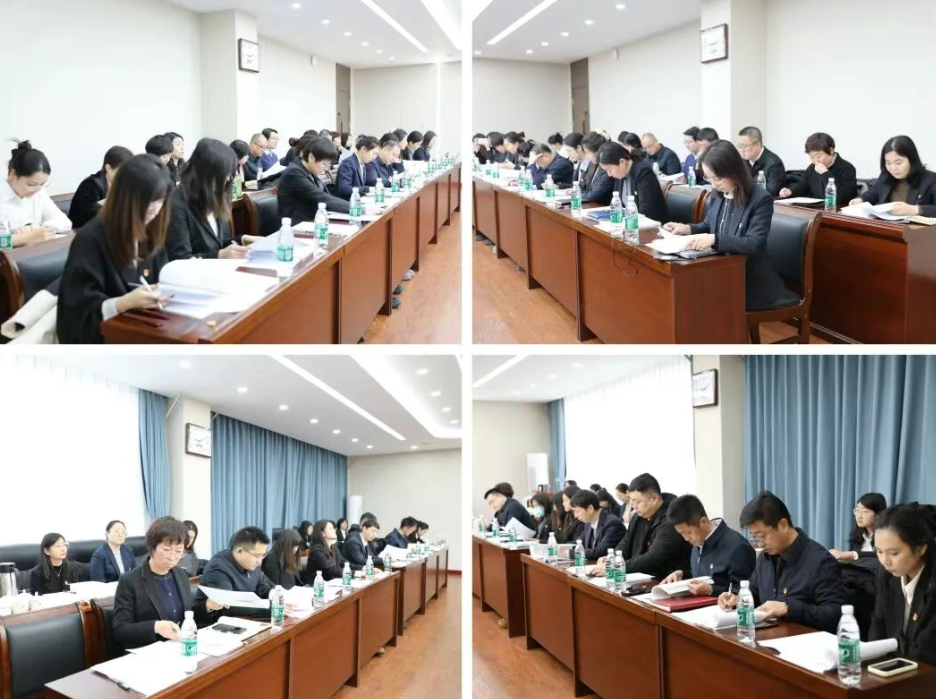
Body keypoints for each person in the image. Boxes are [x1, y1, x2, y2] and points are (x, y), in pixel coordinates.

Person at [662, 140, 790, 312]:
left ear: (733, 170)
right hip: (721, 269)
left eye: (717, 178)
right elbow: (709, 225)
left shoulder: (760, 199)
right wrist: (687, 229)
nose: (714, 184)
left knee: (698, 297)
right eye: (708, 178)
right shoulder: (718, 193)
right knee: (684, 290)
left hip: (750, 278)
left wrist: (715, 240)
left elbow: (755, 243)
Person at [57, 155, 172, 344]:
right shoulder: (91, 239)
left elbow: (161, 279)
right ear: (124, 198)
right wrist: (123, 303)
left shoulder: (152, 229)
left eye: (160, 201)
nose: (154, 210)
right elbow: (75, 316)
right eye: (147, 202)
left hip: (146, 328)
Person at [718, 490, 846, 632]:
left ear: (783, 525)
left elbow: (834, 615)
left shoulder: (821, 561)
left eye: (762, 535)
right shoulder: (765, 558)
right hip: (768, 637)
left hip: (803, 640)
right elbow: (754, 590)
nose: (759, 543)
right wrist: (737, 598)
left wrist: (788, 608)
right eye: (754, 537)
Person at [112, 517, 223, 651]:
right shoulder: (130, 580)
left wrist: (208, 606)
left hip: (180, 646)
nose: (172, 557)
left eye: (179, 551)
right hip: (148, 651)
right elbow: (120, 630)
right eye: (166, 550)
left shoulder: (181, 575)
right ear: (152, 548)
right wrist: (155, 627)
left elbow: (188, 614)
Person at [869, 504, 936, 665]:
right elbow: (878, 630)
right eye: (879, 551)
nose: (885, 561)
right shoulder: (886, 575)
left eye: (894, 553)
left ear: (921, 547)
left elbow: (926, 650)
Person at [166, 138, 252, 262]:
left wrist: (243, 239)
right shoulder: (177, 204)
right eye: (224, 174)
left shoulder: (213, 195)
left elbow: (217, 244)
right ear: (206, 172)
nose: (228, 179)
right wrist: (219, 256)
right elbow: (180, 259)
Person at [594, 473, 691, 580]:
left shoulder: (672, 517)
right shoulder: (639, 516)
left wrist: (618, 567)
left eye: (637, 502)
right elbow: (626, 541)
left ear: (654, 498)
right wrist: (614, 558)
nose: (634, 506)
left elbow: (655, 557)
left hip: (662, 579)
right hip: (638, 577)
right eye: (631, 501)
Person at [661, 495, 756, 597]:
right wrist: (682, 574)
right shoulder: (698, 540)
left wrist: (711, 590)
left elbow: (749, 591)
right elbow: (704, 575)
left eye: (688, 533)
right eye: (681, 533)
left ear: (703, 522)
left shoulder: (737, 546)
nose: (686, 539)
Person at [196, 526, 278, 618]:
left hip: (243, 619)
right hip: (214, 622)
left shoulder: (252, 564)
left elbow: (263, 588)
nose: (259, 561)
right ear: (240, 551)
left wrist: (279, 597)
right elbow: (229, 606)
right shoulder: (219, 567)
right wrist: (271, 607)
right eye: (257, 556)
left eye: (262, 555)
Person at [1, 140, 72, 247]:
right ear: (12, 174)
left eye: (42, 184)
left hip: (35, 253)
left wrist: (37, 230)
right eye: (31, 184)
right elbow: (2, 243)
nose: (37, 189)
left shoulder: (39, 192)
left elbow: (64, 222)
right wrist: (25, 238)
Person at [850, 135, 936, 217]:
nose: (893, 168)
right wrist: (861, 200)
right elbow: (872, 194)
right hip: (887, 225)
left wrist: (914, 209)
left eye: (898, 163)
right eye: (888, 163)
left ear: (912, 159)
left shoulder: (931, 179)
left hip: (915, 227)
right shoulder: (886, 176)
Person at [278, 136, 357, 223]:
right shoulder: (294, 173)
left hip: (313, 220)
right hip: (297, 225)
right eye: (324, 164)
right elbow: (323, 198)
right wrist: (357, 208)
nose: (326, 169)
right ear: (311, 157)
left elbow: (327, 196)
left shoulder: (308, 169)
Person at [778, 132, 858, 206]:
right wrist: (790, 191)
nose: (815, 161)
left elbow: (841, 198)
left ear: (831, 150)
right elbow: (803, 186)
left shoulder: (847, 169)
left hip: (838, 212)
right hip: (817, 210)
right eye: (811, 157)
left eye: (819, 156)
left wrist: (825, 173)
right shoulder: (812, 168)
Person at [597, 141, 668, 223]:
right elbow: (618, 206)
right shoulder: (620, 174)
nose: (609, 174)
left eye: (609, 170)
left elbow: (647, 212)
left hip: (650, 225)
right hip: (630, 223)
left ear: (622, 162)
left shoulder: (643, 173)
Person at [70, 146, 134, 229]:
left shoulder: (123, 185)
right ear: (109, 168)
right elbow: (92, 213)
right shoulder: (91, 184)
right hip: (81, 231)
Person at [830, 493, 888, 561]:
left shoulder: (886, 535)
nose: (859, 516)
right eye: (857, 510)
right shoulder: (857, 534)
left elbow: (880, 555)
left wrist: (852, 554)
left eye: (865, 511)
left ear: (878, 514)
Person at [571, 489, 625, 560]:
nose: (575, 516)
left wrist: (570, 553)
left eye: (577, 511)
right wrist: (565, 548)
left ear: (590, 508)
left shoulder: (612, 523)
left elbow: (601, 551)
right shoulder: (588, 523)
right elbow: (579, 542)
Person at [737, 126, 786, 197]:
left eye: (745, 146)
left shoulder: (774, 163)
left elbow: (770, 192)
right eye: (740, 146)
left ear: (758, 145)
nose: (742, 150)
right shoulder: (743, 162)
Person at [580, 132, 614, 204]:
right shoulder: (593, 164)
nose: (587, 156)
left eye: (588, 153)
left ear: (598, 152)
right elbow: (583, 186)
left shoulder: (608, 168)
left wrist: (578, 194)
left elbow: (594, 195)